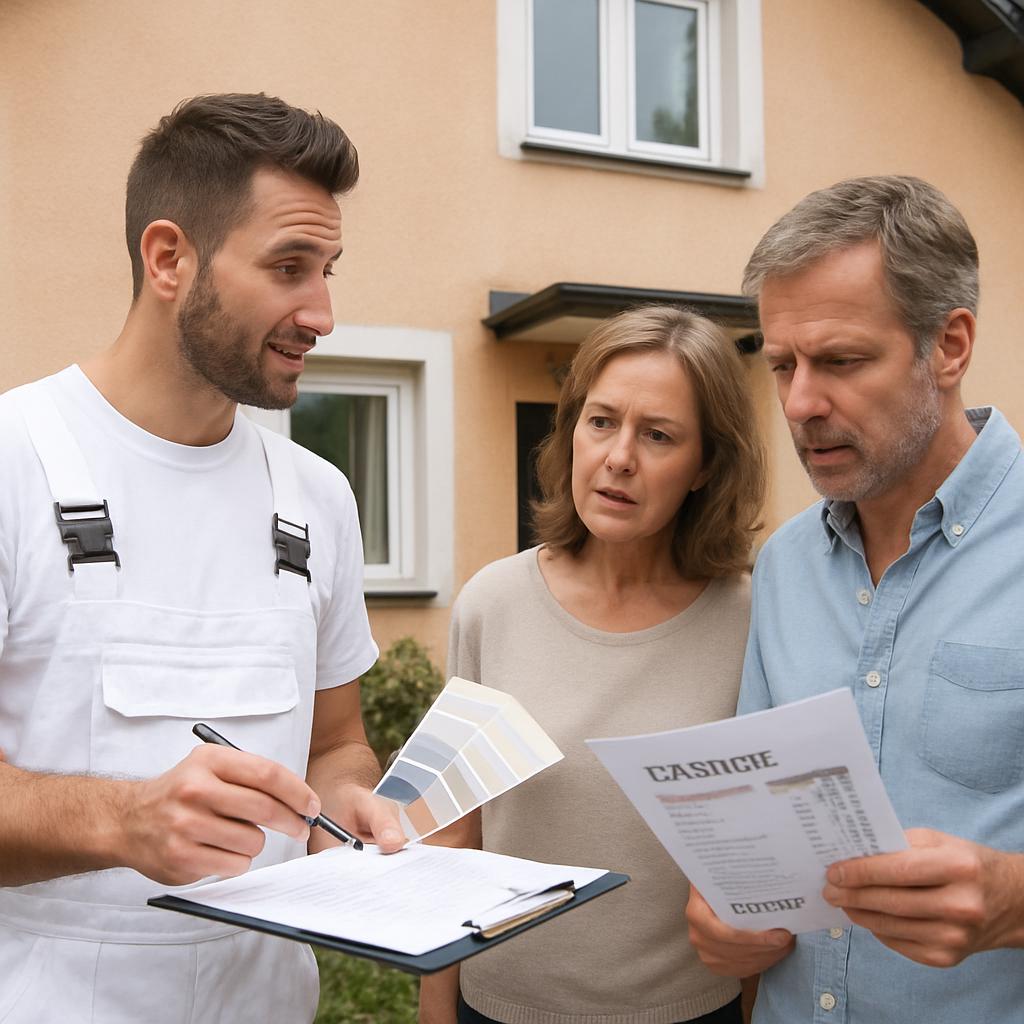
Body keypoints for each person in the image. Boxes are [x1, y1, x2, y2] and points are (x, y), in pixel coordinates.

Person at [0, 93, 404, 1023]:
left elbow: (335, 742)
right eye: (289, 267)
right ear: (168, 258)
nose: (323, 313)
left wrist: (349, 803)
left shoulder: (317, 498)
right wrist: (123, 820)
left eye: (328, 271)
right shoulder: (15, 461)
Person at [685, 175, 1024, 1022]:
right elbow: (754, 832)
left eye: (840, 361)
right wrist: (727, 919)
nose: (800, 404)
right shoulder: (783, 566)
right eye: (782, 366)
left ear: (949, 346)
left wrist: (1015, 901)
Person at [420, 306, 767, 1024]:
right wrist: (435, 1012)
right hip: (501, 1006)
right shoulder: (491, 603)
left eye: (659, 434)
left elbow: (760, 863)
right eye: (601, 421)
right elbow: (453, 838)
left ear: (706, 465)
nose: (619, 457)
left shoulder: (753, 620)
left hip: (688, 1010)